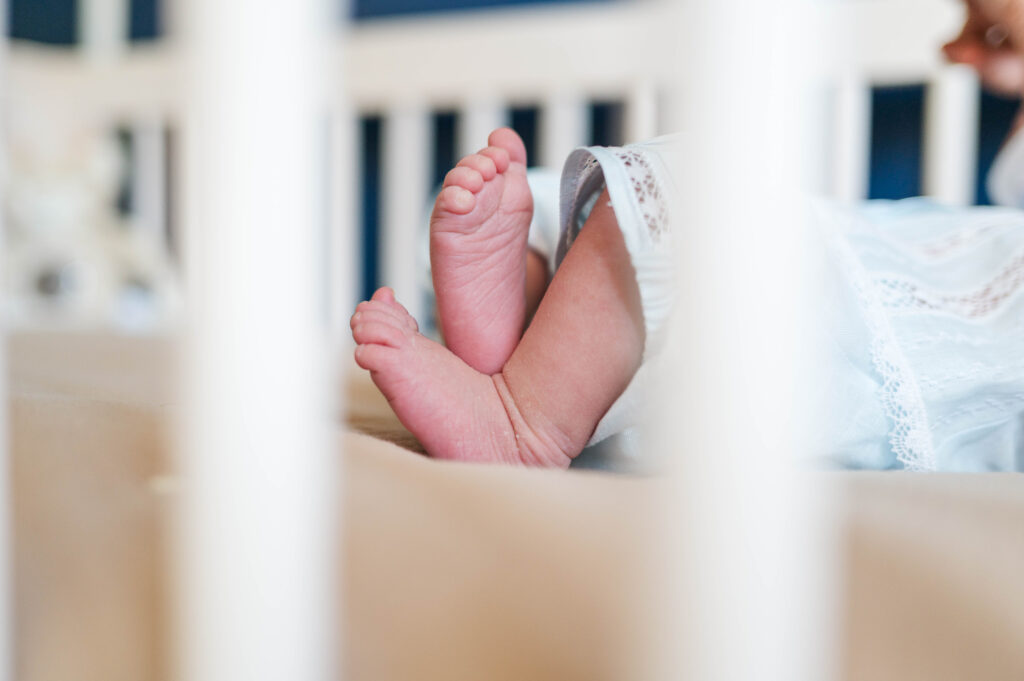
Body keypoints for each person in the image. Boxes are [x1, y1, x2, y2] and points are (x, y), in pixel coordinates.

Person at [350, 0, 1024, 471]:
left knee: (694, 204)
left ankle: (523, 420)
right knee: (644, 220)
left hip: (876, 328)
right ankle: (523, 327)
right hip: (870, 279)